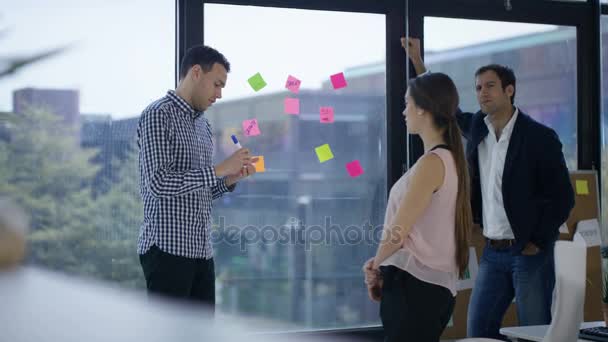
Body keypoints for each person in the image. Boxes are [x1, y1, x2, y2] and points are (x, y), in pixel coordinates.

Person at [402, 37, 575, 339]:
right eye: (479, 87)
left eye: (490, 86)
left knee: (533, 332)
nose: (483, 93)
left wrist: (538, 240)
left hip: (529, 252)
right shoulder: (477, 128)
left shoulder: (539, 137)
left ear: (509, 90)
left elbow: (563, 198)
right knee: (479, 330)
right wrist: (417, 62)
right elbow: (442, 107)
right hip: (493, 253)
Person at [137, 45, 257, 308]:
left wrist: (229, 179)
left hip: (201, 251)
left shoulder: (204, 125)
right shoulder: (158, 115)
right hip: (167, 251)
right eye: (216, 84)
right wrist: (219, 170)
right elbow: (157, 183)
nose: (220, 94)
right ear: (195, 73)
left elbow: (200, 190)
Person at [363, 72, 472, 342]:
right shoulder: (449, 160)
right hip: (426, 288)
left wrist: (375, 266)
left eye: (406, 103)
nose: (403, 111)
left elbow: (398, 230)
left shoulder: (432, 163)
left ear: (423, 108)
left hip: (414, 288)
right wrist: (380, 264)